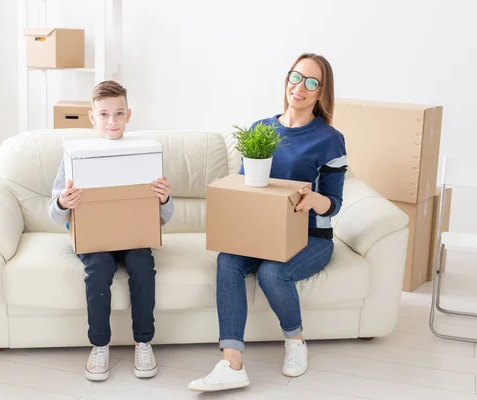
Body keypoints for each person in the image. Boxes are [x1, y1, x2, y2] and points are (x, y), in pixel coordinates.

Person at [188, 53, 347, 392]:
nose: (300, 87)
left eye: (311, 82)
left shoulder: (330, 139)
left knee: (272, 272)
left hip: (311, 238)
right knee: (227, 261)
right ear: (287, 80)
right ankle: (231, 362)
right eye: (295, 77)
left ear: (321, 93)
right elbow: (249, 191)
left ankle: (296, 341)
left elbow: (334, 205)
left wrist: (313, 200)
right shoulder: (261, 129)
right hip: (262, 235)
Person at [49, 80, 174, 382]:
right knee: (100, 268)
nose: (112, 121)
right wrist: (63, 202)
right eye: (104, 114)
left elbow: (165, 217)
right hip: (94, 239)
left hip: (134, 236)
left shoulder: (145, 154)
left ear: (128, 115)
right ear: (92, 117)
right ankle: (100, 345)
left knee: (143, 265)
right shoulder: (74, 155)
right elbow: (53, 212)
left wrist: (165, 198)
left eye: (118, 113)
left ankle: (143, 342)